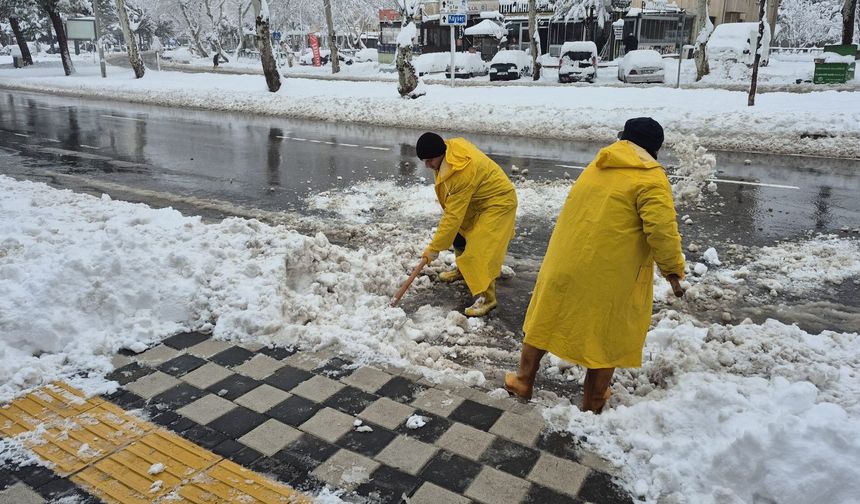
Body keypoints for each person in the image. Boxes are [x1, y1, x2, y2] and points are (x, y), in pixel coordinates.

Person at [505, 117, 686, 413]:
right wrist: (673, 268)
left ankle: (523, 380)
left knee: (546, 318)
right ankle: (593, 400)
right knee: (607, 332)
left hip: (565, 261)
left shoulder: (599, 165)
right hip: (608, 274)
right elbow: (661, 231)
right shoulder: (651, 178)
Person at [416, 132, 518, 317]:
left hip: (498, 203)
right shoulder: (449, 154)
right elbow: (453, 216)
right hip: (477, 201)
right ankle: (464, 271)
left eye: (430, 160)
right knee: (459, 233)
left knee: (480, 250)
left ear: (440, 153)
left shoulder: (461, 171)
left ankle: (487, 298)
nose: (427, 165)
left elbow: (452, 217)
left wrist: (434, 248)